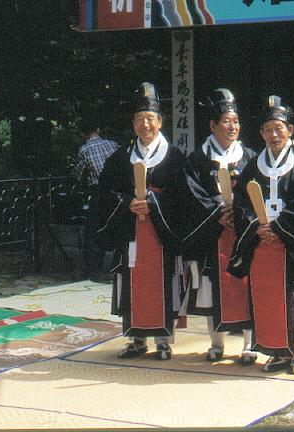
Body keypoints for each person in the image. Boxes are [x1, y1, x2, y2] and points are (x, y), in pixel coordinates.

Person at [228, 95, 294, 375]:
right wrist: (257, 226)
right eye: (268, 129)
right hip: (262, 244)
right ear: (261, 133)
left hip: (292, 244)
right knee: (267, 298)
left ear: (290, 130)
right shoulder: (253, 167)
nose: (274, 135)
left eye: (279, 128)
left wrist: (278, 228)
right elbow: (242, 204)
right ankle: (277, 351)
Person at [94, 82, 187, 360]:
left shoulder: (175, 157)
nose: (145, 124)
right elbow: (104, 194)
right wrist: (126, 203)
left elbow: (183, 198)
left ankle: (163, 340)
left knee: (163, 284)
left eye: (150, 118)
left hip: (162, 234)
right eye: (139, 119)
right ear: (133, 124)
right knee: (132, 283)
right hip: (131, 232)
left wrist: (154, 204)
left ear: (160, 122)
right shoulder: (120, 157)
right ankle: (136, 339)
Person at [181, 88, 257, 363]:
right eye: (226, 121)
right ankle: (216, 343)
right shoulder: (197, 159)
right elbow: (191, 194)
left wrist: (239, 212)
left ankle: (249, 344)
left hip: (243, 232)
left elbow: (258, 190)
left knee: (246, 285)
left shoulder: (250, 157)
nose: (233, 127)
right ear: (213, 125)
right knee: (211, 288)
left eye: (236, 121)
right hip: (212, 234)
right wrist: (216, 212)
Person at [73, 111, 119, 281]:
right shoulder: (113, 145)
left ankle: (93, 270)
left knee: (94, 231)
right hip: (118, 192)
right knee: (117, 227)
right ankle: (118, 266)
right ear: (98, 129)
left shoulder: (84, 149)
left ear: (83, 134)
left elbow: (78, 174)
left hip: (99, 192)